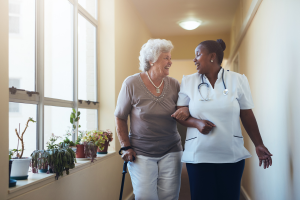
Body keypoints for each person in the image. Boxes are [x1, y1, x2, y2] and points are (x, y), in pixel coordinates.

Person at [172, 39, 273, 200]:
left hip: (230, 155)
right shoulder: (188, 81)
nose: (194, 59)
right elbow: (179, 114)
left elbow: (247, 114)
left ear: (212, 56)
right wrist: (196, 123)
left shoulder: (238, 80)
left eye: (198, 55)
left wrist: (259, 144)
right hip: (198, 156)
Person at [114, 39, 189, 200]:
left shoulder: (174, 84)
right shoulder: (131, 83)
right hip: (141, 152)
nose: (170, 62)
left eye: (170, 57)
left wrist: (184, 108)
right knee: (145, 196)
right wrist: (125, 146)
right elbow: (120, 116)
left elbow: (184, 108)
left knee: (169, 196)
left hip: (171, 149)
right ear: (151, 60)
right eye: (166, 58)